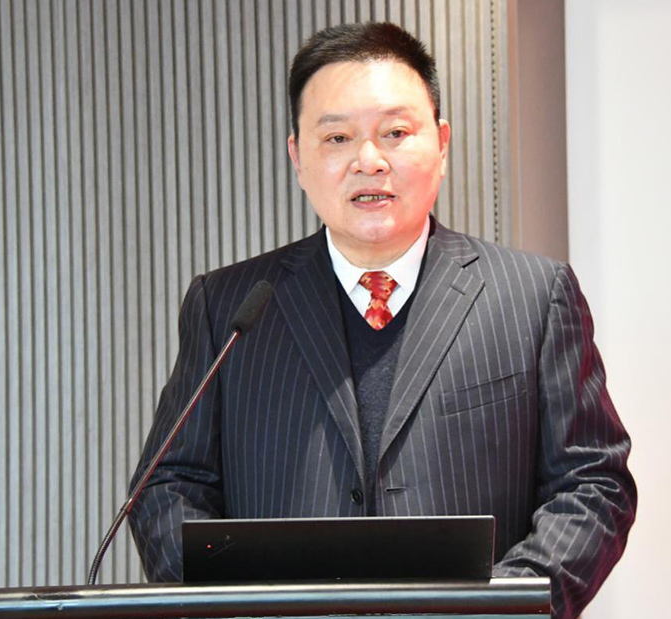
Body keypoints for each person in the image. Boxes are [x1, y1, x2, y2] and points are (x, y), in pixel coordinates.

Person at [128, 22, 636, 619]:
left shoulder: (533, 297)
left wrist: (502, 603)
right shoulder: (229, 306)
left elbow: (593, 483)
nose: (368, 161)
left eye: (395, 133)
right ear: (298, 158)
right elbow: (167, 488)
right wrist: (238, 606)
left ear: (441, 145)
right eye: (337, 137)